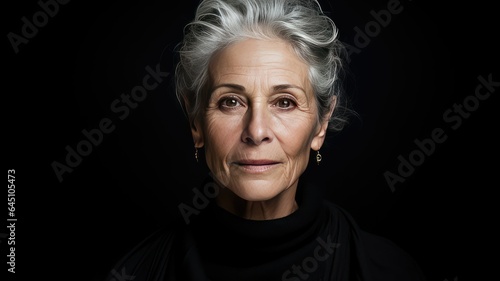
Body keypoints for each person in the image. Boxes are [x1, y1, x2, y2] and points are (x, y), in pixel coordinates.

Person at [104, 0, 427, 280]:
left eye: (284, 102)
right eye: (230, 101)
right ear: (196, 121)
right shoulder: (136, 271)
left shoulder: (388, 270)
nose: (257, 132)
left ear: (321, 124)